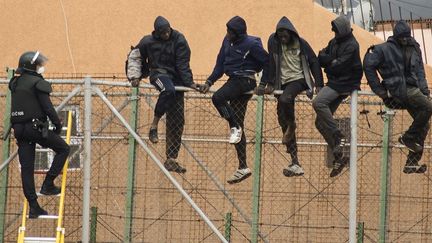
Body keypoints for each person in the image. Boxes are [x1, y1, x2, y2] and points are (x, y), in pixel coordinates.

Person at [199, 16, 268, 184]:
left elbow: (269, 62)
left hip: (245, 81)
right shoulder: (226, 41)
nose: (227, 34)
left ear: (238, 34)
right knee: (238, 121)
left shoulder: (252, 44)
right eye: (227, 30)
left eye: (230, 32)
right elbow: (220, 65)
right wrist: (209, 81)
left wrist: (264, 83)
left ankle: (234, 126)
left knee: (218, 98)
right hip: (233, 81)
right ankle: (243, 167)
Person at [126, 16, 199, 173]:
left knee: (178, 119)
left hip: (177, 79)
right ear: (157, 33)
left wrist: (190, 82)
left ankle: (171, 158)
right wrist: (135, 77)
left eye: (167, 32)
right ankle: (154, 125)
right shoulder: (148, 41)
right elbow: (135, 56)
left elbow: (183, 63)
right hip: (159, 74)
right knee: (167, 90)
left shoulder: (179, 40)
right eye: (163, 33)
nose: (166, 35)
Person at [256, 16, 323, 177]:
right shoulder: (274, 42)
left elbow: (314, 61)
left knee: (286, 100)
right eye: (279, 34)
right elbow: (270, 63)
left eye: (284, 33)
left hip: (298, 79)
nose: (281, 36)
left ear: (291, 32)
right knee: (281, 119)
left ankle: (292, 125)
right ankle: (295, 161)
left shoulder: (301, 43)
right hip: (282, 82)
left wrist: (319, 84)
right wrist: (265, 84)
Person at [364, 20, 431, 174]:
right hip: (398, 90)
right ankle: (407, 137)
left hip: (412, 89)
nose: (405, 40)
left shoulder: (414, 47)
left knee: (424, 125)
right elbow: (368, 64)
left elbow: (420, 71)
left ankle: (411, 163)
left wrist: (425, 91)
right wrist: (380, 90)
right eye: (402, 38)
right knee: (428, 108)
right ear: (396, 36)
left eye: (407, 37)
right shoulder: (384, 49)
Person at [10, 51, 70, 218]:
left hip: (19, 130)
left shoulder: (15, 82)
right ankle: (48, 183)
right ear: (31, 66)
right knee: (63, 149)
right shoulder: (37, 82)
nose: (40, 67)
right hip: (35, 128)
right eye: (38, 64)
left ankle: (34, 207)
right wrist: (57, 125)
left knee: (27, 169)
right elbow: (48, 107)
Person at [313, 16, 363, 177]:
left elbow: (338, 66)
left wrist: (328, 62)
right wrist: (329, 62)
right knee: (320, 123)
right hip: (335, 81)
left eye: (335, 30)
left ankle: (337, 134)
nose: (333, 32)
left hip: (345, 83)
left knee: (318, 102)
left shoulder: (352, 45)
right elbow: (321, 57)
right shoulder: (334, 42)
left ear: (342, 29)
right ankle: (339, 154)